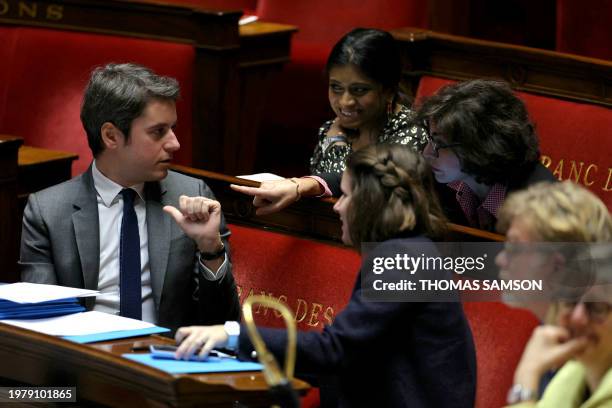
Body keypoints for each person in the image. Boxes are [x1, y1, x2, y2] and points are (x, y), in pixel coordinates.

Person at [174, 145, 477, 407]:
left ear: (370, 204)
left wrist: (232, 336)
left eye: (346, 196)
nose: (339, 208)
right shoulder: (407, 251)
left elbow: (336, 351)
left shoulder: (404, 259)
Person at [19, 63, 240, 331]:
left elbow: (222, 322)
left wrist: (210, 249)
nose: (175, 143)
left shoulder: (193, 197)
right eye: (158, 132)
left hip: (167, 361)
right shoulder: (47, 211)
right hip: (85, 360)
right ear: (111, 136)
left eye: (172, 129)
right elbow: (42, 323)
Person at [231, 28, 426, 215]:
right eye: (336, 87)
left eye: (359, 90)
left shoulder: (413, 130)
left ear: (388, 91)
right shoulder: (330, 129)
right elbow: (323, 208)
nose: (345, 102)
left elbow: (365, 190)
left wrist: (335, 145)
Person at [494, 181, 612, 406]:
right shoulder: (552, 337)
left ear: (557, 262)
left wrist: (524, 383)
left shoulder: (589, 347)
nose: (500, 259)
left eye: (514, 248)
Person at [417, 79, 557, 231]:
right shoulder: (438, 181)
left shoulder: (541, 206)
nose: (427, 153)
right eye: (430, 139)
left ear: (480, 148)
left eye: (440, 144)